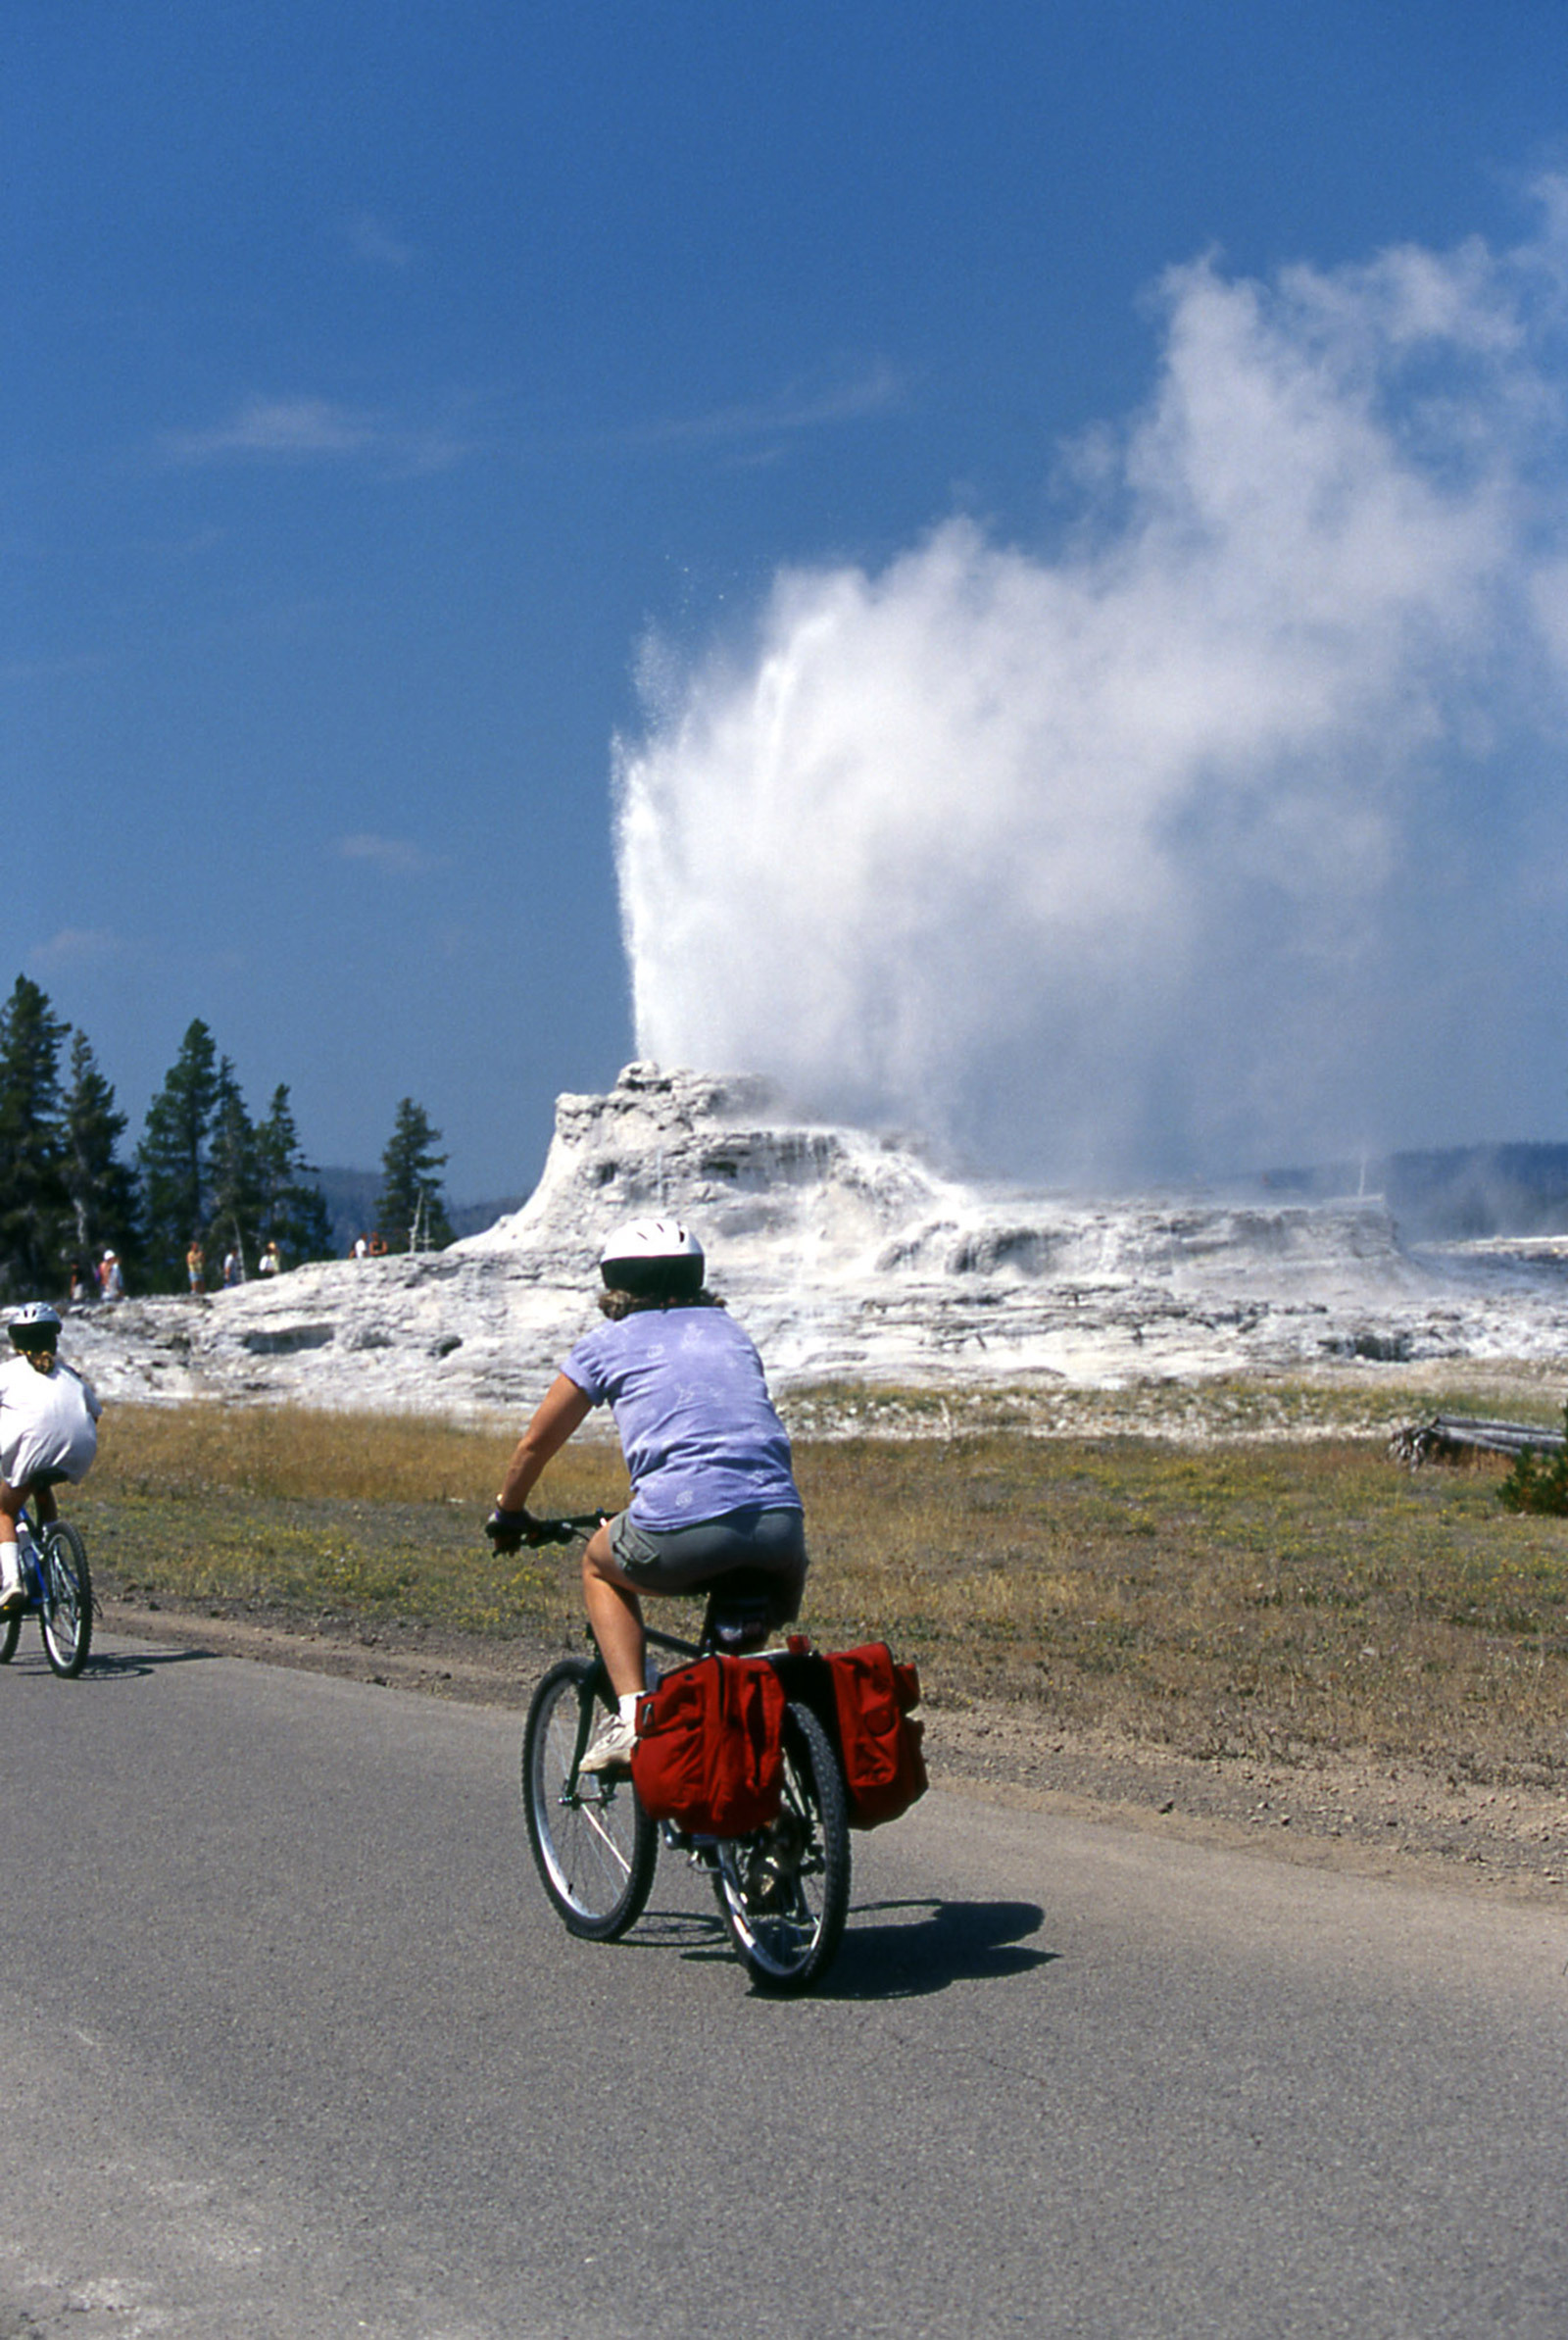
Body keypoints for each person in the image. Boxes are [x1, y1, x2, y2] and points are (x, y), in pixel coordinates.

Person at [486, 1219, 807, 1772]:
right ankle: (760, 1821)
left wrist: (509, 1511)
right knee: (737, 1671)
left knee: (597, 1563)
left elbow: (537, 1442)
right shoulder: (730, 1331)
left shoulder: (607, 1343)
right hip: (781, 1532)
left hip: (683, 1529)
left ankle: (634, 1717)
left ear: (615, 1283)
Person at [0, 1303, 102, 1614]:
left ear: (16, 1343)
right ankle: (52, 1550)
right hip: (79, 1449)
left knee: (3, 1510)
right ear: (53, 1340)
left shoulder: (7, 1372)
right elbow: (94, 1414)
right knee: (40, 1486)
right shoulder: (70, 1375)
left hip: (31, 1449)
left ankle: (12, 1583)